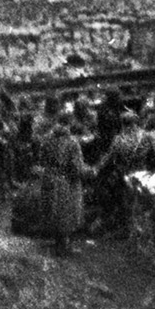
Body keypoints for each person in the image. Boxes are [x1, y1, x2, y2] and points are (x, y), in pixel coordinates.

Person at [34, 106, 94, 257]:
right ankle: (64, 246)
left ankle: (56, 240)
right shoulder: (72, 142)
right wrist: (89, 171)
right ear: (69, 122)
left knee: (52, 209)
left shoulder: (46, 138)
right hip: (66, 181)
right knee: (67, 212)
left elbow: (40, 159)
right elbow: (76, 167)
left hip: (49, 177)